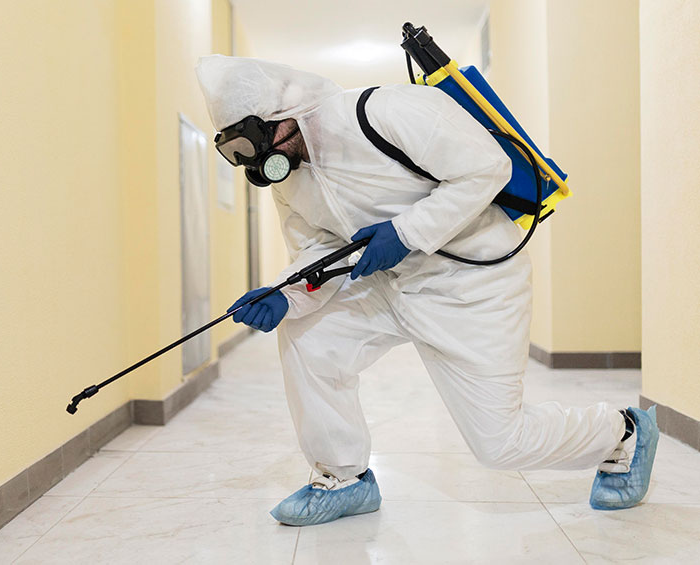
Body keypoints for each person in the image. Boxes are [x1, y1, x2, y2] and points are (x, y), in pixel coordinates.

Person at [196, 55, 658, 526]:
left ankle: (622, 433)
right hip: (386, 285)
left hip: (472, 286)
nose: (256, 161)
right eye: (237, 151)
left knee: (501, 444)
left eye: (254, 142)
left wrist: (406, 232)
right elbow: (320, 249)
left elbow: (486, 168)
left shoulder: (385, 111)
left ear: (283, 112)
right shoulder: (291, 178)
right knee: (306, 334)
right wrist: (284, 293)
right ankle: (344, 478)